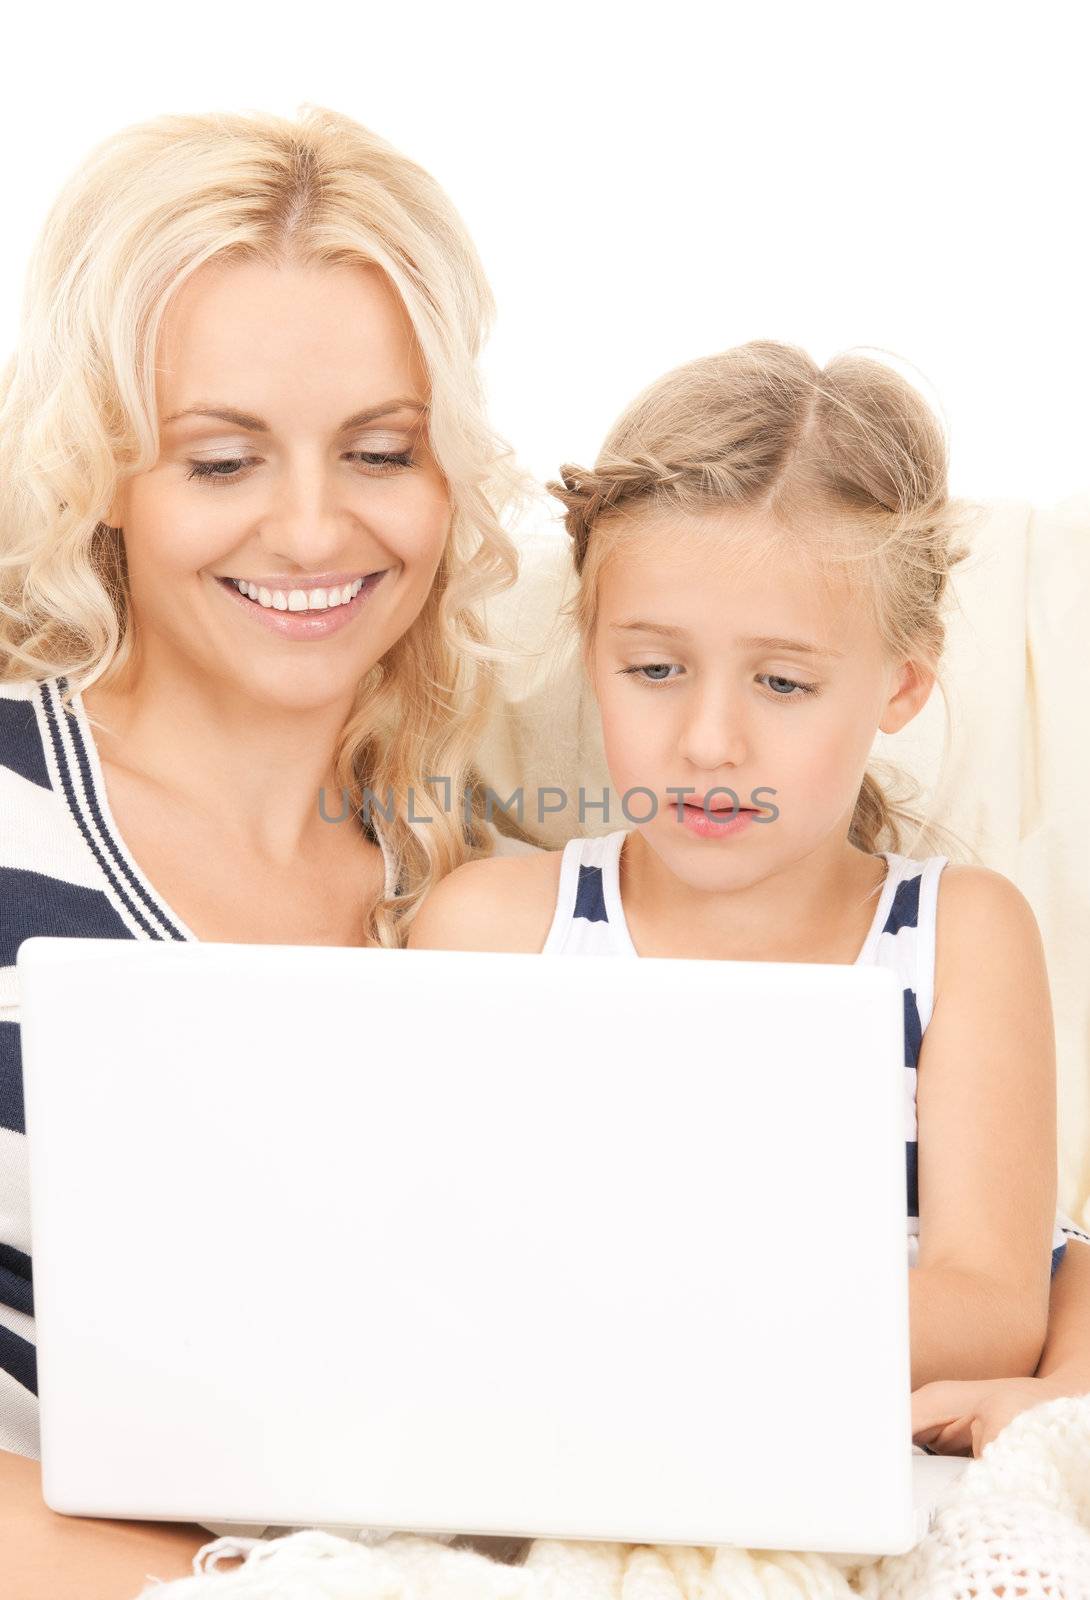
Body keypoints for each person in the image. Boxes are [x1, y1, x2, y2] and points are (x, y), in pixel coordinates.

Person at [0, 103, 532, 1592]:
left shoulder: (482, 880)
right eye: (223, 463)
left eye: (378, 451)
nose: (311, 532)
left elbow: (887, 1187)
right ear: (103, 474)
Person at [409, 341, 1090, 1442]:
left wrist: (629, 1333)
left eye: (781, 683)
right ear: (590, 654)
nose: (709, 741)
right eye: (654, 669)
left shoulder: (957, 938)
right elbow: (435, 1270)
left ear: (902, 683)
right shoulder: (496, 930)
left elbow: (988, 1312)